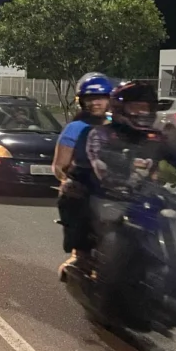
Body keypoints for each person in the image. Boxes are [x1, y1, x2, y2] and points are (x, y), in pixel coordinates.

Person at [59, 80, 176, 282]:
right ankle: (81, 254)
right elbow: (90, 167)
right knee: (73, 192)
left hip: (146, 200)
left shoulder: (157, 139)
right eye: (136, 107)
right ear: (120, 108)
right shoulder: (98, 134)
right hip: (105, 198)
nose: (142, 113)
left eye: (147, 108)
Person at [53, 72, 113, 275]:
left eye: (101, 98)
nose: (96, 103)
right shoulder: (75, 128)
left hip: (116, 188)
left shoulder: (119, 128)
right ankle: (79, 254)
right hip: (87, 188)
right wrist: (70, 179)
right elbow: (60, 166)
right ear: (82, 101)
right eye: (90, 99)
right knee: (71, 197)